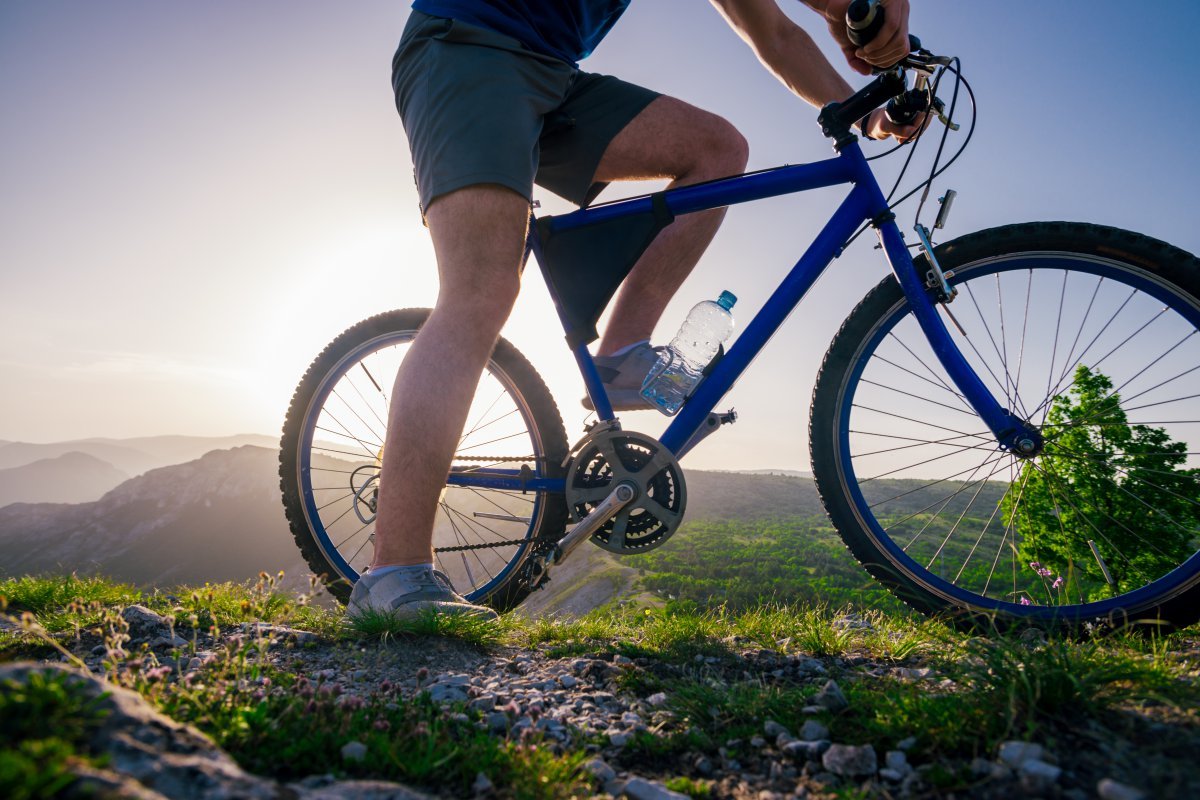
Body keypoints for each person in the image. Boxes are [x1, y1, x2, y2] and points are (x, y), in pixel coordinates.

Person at [347, 0, 921, 620]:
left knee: (717, 150)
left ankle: (622, 354)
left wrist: (868, 114)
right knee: (481, 291)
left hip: (551, 73)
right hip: (467, 48)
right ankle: (393, 574)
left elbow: (775, 33)